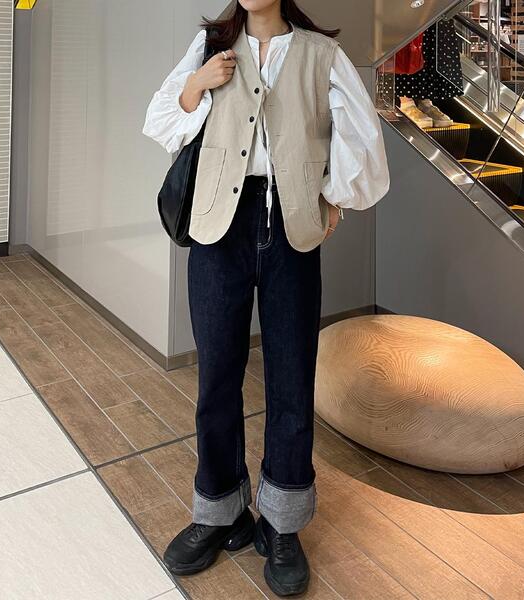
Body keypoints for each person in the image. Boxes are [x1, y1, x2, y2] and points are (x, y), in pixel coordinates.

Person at [142, 0, 389, 595]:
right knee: (217, 376)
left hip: (289, 229)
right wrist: (199, 84)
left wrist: (332, 197)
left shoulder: (321, 54)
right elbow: (161, 122)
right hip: (218, 228)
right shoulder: (210, 47)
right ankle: (218, 511)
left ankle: (282, 522)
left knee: (291, 376)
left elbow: (361, 139)